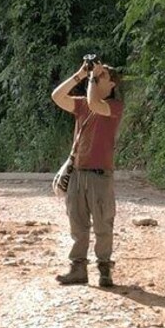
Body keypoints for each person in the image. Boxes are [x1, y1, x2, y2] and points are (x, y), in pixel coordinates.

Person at [51, 59, 124, 288]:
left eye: (103, 77)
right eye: (97, 76)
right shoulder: (82, 104)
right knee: (77, 223)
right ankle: (78, 268)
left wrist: (92, 76)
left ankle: (104, 268)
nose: (97, 78)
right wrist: (80, 74)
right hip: (78, 172)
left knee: (103, 224)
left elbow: (94, 103)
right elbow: (57, 96)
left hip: (100, 175)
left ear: (112, 85)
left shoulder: (114, 106)